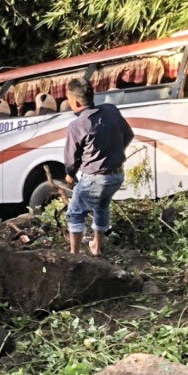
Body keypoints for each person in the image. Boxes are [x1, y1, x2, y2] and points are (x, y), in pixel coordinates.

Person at [63, 78, 135, 256]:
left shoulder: (76, 125)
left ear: (76, 101)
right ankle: (96, 245)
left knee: (75, 213)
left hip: (95, 178)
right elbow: (128, 134)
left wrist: (70, 175)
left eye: (68, 99)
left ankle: (74, 255)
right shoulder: (111, 110)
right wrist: (114, 152)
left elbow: (71, 159)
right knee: (101, 207)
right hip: (117, 176)